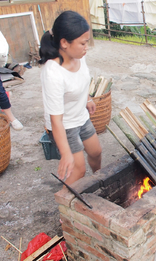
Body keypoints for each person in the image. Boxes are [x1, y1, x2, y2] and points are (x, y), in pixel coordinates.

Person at [39, 11, 102, 185]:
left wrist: (87, 98)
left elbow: (82, 80)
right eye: (82, 43)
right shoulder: (53, 73)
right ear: (64, 43)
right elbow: (56, 120)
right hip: (63, 126)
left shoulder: (79, 55)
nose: (86, 47)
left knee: (96, 152)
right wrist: (65, 153)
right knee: (78, 170)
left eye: (86, 42)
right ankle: (64, 200)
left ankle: (101, 180)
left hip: (80, 117)